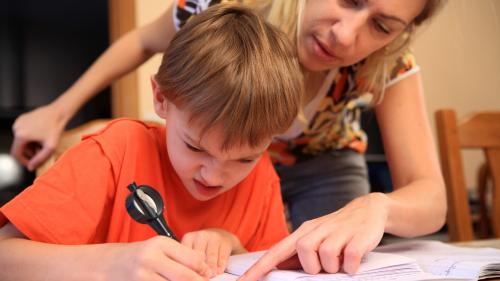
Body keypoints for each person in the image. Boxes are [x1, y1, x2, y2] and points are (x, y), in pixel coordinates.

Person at [10, 0, 448, 277]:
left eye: (383, 26)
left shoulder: (256, 177)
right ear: (161, 100)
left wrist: (376, 205)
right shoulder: (221, 12)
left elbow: (430, 196)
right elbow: (144, 41)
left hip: (319, 162)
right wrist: (59, 109)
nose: (346, 36)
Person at [0, 3, 303, 280]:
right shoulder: (116, 152)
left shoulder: (263, 178)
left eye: (245, 159)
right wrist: (112, 263)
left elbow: (273, 268)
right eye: (196, 147)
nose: (213, 176)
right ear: (161, 99)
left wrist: (233, 246)